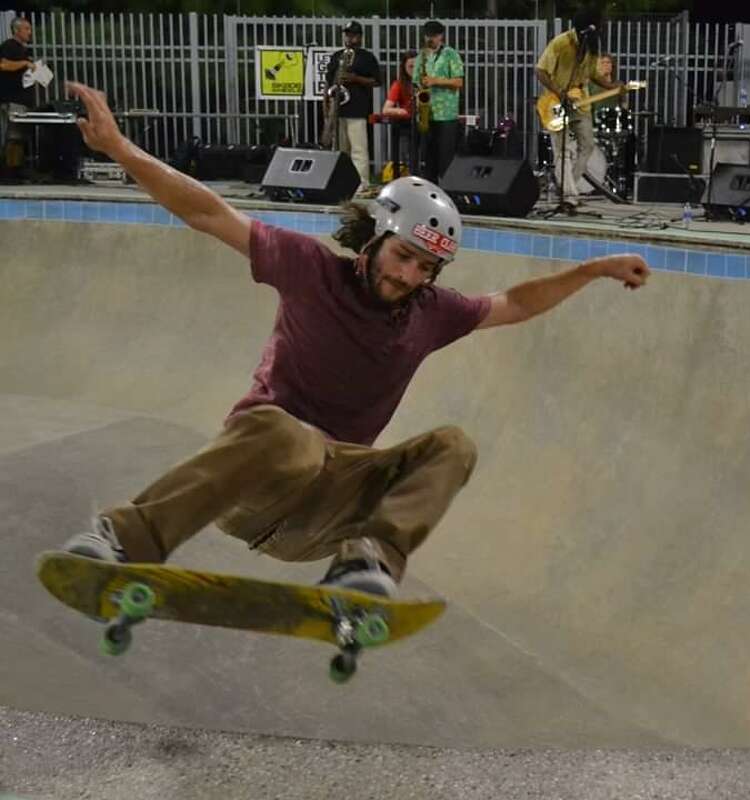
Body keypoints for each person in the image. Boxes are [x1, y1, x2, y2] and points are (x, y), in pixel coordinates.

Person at [59, 80, 650, 599]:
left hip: (327, 512)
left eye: (425, 270)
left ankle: (366, 563)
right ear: (374, 239)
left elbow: (515, 303)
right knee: (283, 432)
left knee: (453, 445)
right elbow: (208, 213)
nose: (408, 277)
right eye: (402, 258)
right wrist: (118, 148)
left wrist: (592, 269)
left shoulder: (431, 312)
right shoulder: (308, 268)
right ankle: (125, 537)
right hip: (254, 483)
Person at [535, 12, 624, 213]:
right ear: (584, 28)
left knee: (588, 145)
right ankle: (570, 195)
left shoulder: (594, 46)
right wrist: (560, 92)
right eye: (597, 27)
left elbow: (592, 74)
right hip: (556, 100)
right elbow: (540, 70)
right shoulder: (560, 43)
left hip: (580, 102)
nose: (600, 31)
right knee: (563, 150)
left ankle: (569, 189)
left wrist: (611, 86)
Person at [323, 21, 381, 191]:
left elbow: (377, 81)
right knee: (342, 150)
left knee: (358, 149)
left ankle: (362, 183)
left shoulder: (367, 57)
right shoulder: (337, 56)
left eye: (354, 35)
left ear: (360, 37)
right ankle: (343, 182)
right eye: (347, 34)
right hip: (339, 108)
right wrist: (326, 104)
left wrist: (356, 79)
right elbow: (328, 82)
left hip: (357, 108)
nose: (350, 38)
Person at [412, 21, 464, 182]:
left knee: (445, 159)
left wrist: (435, 81)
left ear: (441, 36)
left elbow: (458, 82)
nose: (430, 39)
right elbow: (416, 81)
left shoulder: (451, 54)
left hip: (446, 114)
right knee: (428, 160)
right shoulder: (422, 56)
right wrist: (419, 93)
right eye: (428, 35)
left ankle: (448, 192)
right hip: (427, 114)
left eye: (433, 35)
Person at [0, 17, 36, 181]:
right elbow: (3, 65)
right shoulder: (9, 46)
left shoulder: (24, 50)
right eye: (26, 29)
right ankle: (7, 171)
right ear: (17, 30)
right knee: (12, 135)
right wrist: (23, 64)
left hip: (23, 99)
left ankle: (15, 170)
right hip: (12, 98)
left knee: (20, 136)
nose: (30, 32)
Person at [381, 50, 418, 175]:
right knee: (407, 146)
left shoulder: (429, 82)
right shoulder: (399, 84)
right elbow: (386, 109)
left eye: (416, 66)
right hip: (409, 123)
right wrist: (400, 111)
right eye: (410, 66)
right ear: (404, 67)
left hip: (429, 123)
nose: (414, 69)